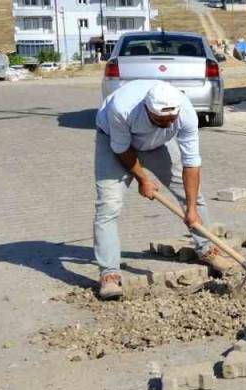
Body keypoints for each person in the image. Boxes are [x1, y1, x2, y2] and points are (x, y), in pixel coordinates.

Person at [93, 80, 229, 300]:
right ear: (147, 110)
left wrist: (191, 208)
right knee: (108, 206)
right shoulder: (122, 108)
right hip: (114, 142)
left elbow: (192, 163)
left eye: (171, 120)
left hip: (157, 145)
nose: (167, 123)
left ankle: (207, 249)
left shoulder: (185, 113)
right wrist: (143, 179)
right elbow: (121, 149)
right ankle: (109, 274)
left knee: (192, 195)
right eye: (160, 120)